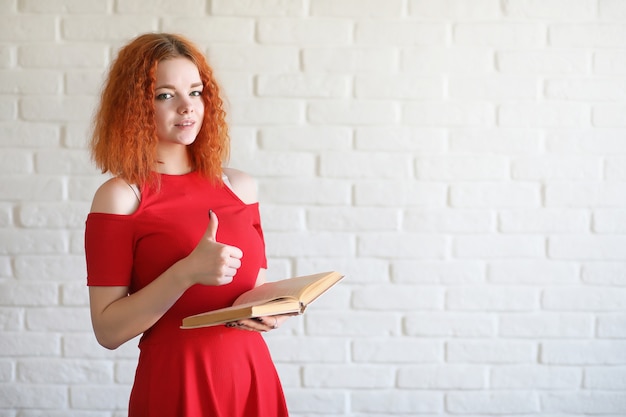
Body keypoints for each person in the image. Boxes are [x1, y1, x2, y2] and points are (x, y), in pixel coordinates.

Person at [84, 33, 290, 416]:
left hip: (250, 377)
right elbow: (107, 331)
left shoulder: (240, 187)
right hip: (176, 384)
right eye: (165, 95)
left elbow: (250, 289)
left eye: (195, 92)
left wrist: (271, 307)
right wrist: (185, 273)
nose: (186, 107)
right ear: (135, 107)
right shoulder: (121, 196)